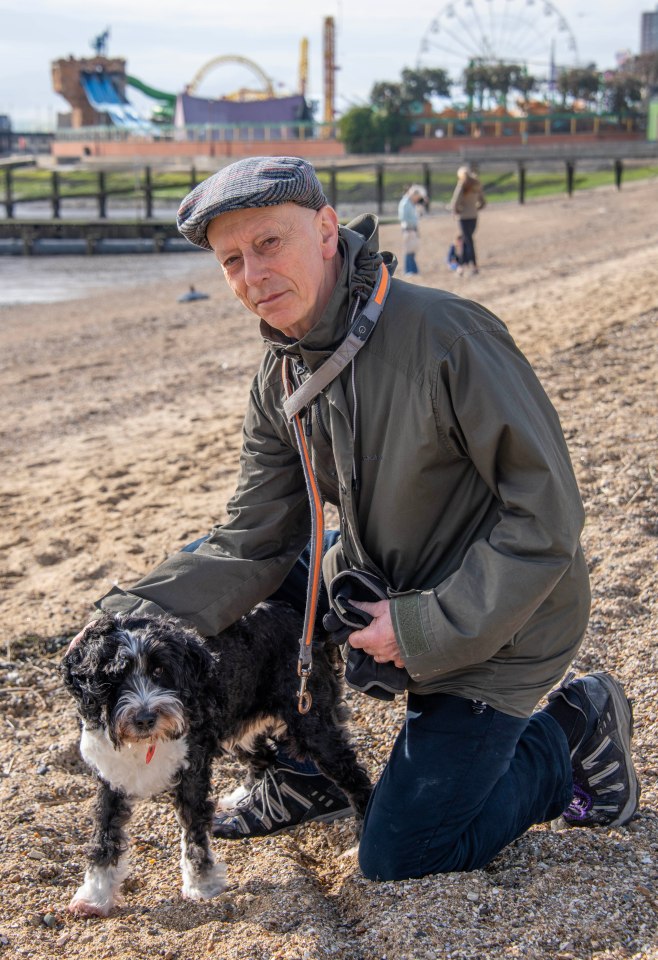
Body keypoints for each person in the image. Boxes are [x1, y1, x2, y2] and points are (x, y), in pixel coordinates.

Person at [82, 155, 639, 881]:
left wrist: (422, 628)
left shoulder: (449, 337)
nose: (252, 275)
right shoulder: (280, 374)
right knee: (204, 597)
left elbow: (549, 519)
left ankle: (574, 726)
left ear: (324, 229)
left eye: (268, 244)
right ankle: (304, 769)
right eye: (231, 261)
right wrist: (117, 613)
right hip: (385, 577)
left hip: (504, 620)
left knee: (401, 854)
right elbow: (256, 537)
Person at [450, 165, 486, 275]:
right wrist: (475, 208)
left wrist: (457, 211)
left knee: (468, 241)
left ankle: (469, 266)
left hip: (464, 217)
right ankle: (465, 265)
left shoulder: (462, 185)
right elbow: (483, 202)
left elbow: (455, 202)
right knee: (467, 240)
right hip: (474, 217)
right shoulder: (476, 184)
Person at [397, 184, 426, 277]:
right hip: (408, 229)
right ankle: (408, 270)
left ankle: (413, 269)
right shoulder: (405, 203)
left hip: (412, 229)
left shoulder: (411, 203)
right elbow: (403, 218)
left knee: (412, 250)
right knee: (408, 250)